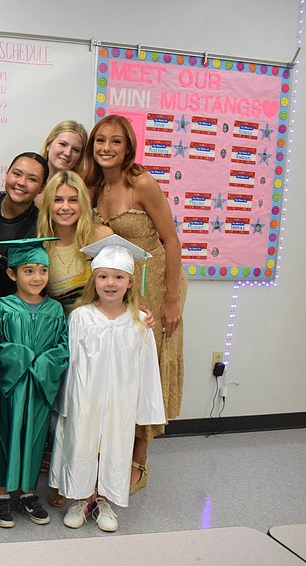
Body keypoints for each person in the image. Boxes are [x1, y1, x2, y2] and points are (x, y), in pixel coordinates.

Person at [85, 114, 187, 494]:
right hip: (120, 286)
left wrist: (172, 300)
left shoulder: (141, 183)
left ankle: (139, 461)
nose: (106, 148)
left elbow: (171, 240)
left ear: (128, 147)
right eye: (100, 141)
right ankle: (111, 450)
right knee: (120, 367)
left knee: (149, 368)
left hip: (157, 285)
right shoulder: (95, 187)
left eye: (115, 142)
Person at [49, 235, 165, 532]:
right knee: (82, 445)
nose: (110, 283)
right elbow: (70, 363)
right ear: (94, 280)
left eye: (118, 277)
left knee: (116, 447)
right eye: (103, 276)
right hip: (85, 399)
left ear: (130, 282)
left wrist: (146, 408)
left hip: (120, 401)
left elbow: (148, 368)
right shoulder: (81, 317)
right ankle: (82, 498)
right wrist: (65, 402)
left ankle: (106, 501)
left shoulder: (139, 321)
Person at [0, 238, 69, 529]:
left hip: (39, 387)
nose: (37, 277)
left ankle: (28, 493)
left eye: (42, 271)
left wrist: (42, 364)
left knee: (37, 437)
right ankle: (1, 494)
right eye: (28, 271)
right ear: (12, 274)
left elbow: (63, 347)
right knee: (5, 435)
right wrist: (22, 356)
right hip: (11, 387)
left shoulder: (55, 310)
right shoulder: (1, 307)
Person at [37, 170, 114, 315]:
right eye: (58, 200)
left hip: (102, 326)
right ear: (48, 204)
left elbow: (120, 283)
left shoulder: (102, 237)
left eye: (73, 200)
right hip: (61, 331)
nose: (65, 207)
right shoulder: (41, 247)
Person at [0, 152, 48, 303]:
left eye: (32, 179)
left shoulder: (40, 229)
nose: (22, 183)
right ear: (6, 173)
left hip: (7, 309)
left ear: (42, 187)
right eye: (17, 174)